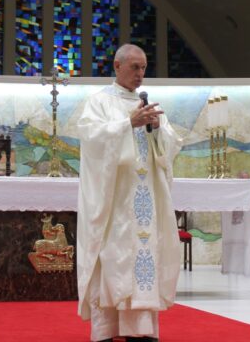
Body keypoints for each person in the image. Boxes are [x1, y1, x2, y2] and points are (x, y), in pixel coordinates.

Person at [77, 43, 182, 342]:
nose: (140, 74)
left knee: (143, 260)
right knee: (113, 259)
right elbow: (91, 139)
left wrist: (159, 127)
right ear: (117, 65)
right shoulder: (98, 102)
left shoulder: (150, 104)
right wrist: (127, 124)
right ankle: (107, 330)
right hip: (115, 202)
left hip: (145, 199)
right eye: (135, 67)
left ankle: (141, 330)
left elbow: (169, 147)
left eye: (144, 68)